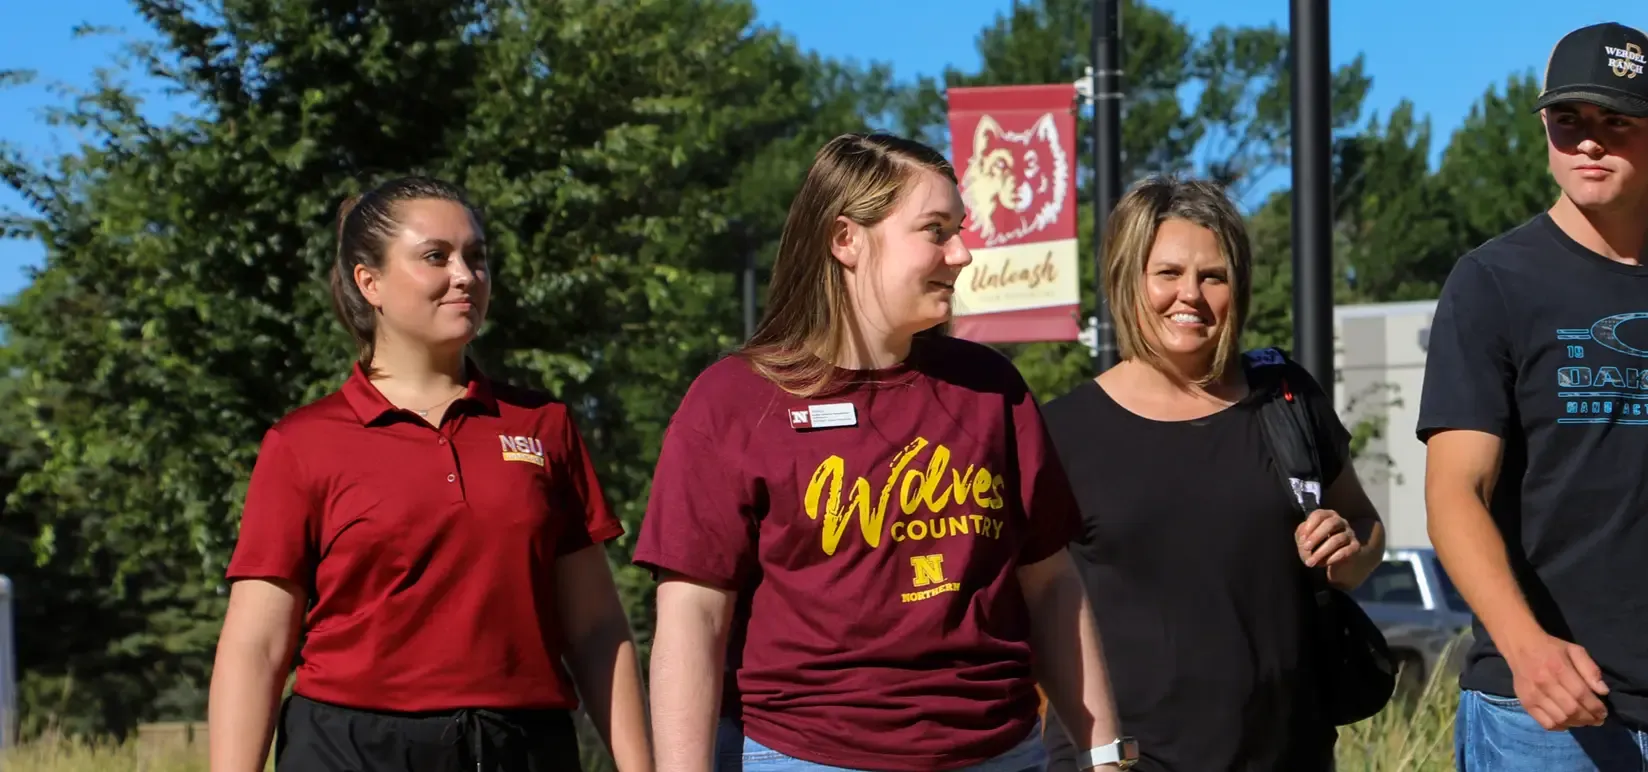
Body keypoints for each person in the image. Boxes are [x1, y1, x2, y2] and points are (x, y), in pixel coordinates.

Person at [632, 132, 1129, 772]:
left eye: (959, 229)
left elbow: (1052, 584)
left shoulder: (990, 388)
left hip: (1000, 751)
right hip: (801, 754)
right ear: (847, 239)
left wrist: (1108, 755)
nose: (963, 253)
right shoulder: (731, 401)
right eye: (935, 229)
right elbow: (692, 617)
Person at [1416, 21, 1648, 771]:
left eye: (1617, 121)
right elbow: (1454, 491)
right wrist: (1530, 652)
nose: (1588, 141)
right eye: (1568, 121)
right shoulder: (1492, 283)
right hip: (1542, 716)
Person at [208, 176, 652, 772]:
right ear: (370, 283)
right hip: (350, 750)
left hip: (522, 747)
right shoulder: (301, 443)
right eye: (435, 257)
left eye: (477, 257)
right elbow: (256, 648)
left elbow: (597, 630)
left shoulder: (544, 426)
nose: (466, 275)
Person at [1040, 177, 1384, 770]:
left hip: (1288, 755)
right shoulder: (1059, 432)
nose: (1191, 296)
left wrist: (1350, 549)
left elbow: (1365, 526)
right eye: (1168, 273)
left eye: (1213, 276)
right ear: (1129, 281)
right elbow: (1035, 609)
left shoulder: (1286, 398)